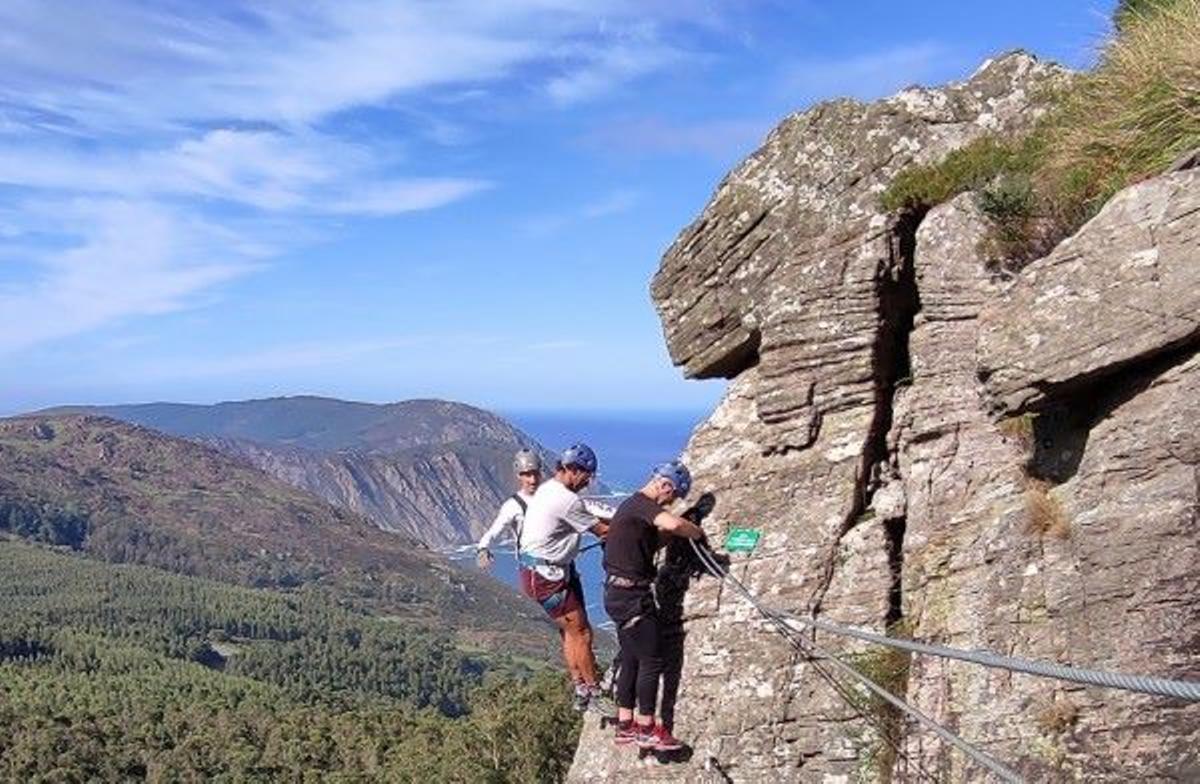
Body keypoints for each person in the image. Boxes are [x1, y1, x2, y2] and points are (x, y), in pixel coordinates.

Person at [603, 460, 705, 751]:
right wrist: (695, 531)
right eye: (670, 497)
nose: (669, 503)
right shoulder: (641, 504)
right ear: (664, 485)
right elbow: (671, 523)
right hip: (633, 597)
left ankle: (625, 725)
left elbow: (653, 539)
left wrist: (673, 531)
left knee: (632, 658)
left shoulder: (631, 509)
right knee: (652, 661)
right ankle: (647, 728)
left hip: (616, 594)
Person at [518, 442, 612, 712]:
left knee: (570, 632)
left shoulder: (550, 489)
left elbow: (585, 514)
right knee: (580, 633)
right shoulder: (565, 499)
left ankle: (581, 687)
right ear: (571, 470)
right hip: (548, 576)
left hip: (545, 572)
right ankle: (593, 694)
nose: (588, 481)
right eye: (586, 475)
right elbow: (603, 531)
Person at [476, 448, 541, 570]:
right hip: (533, 570)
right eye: (527, 475)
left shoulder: (550, 498)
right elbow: (494, 531)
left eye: (535, 474)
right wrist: (483, 549)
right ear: (519, 476)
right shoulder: (513, 506)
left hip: (560, 568)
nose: (533, 480)